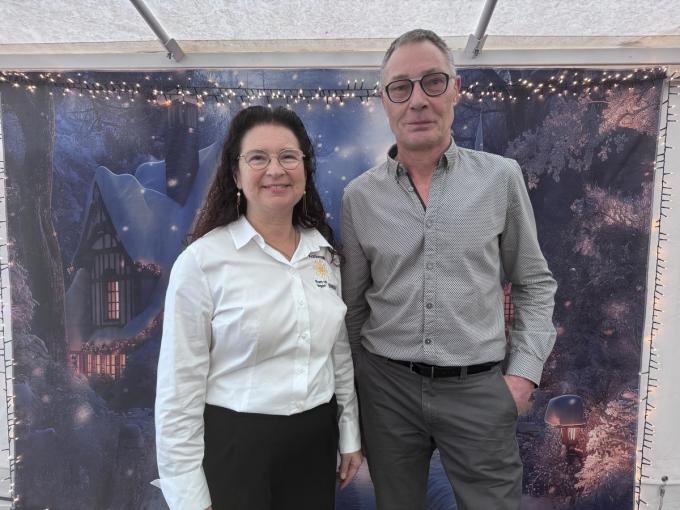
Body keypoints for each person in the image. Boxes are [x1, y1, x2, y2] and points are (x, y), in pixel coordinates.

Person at [341, 29, 557, 510]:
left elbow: (534, 283)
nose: (417, 100)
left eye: (433, 82)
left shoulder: (500, 179)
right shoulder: (360, 197)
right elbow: (353, 307)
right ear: (384, 100)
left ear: (456, 89)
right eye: (401, 87)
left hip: (478, 388)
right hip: (387, 392)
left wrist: (523, 375)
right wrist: (359, 389)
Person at [155, 105, 362, 510]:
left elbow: (337, 354)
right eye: (258, 158)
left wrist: (349, 433)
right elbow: (179, 390)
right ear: (235, 174)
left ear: (305, 169)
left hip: (315, 445)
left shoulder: (323, 255)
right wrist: (188, 497)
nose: (275, 170)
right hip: (235, 448)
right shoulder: (202, 263)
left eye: (288, 156)